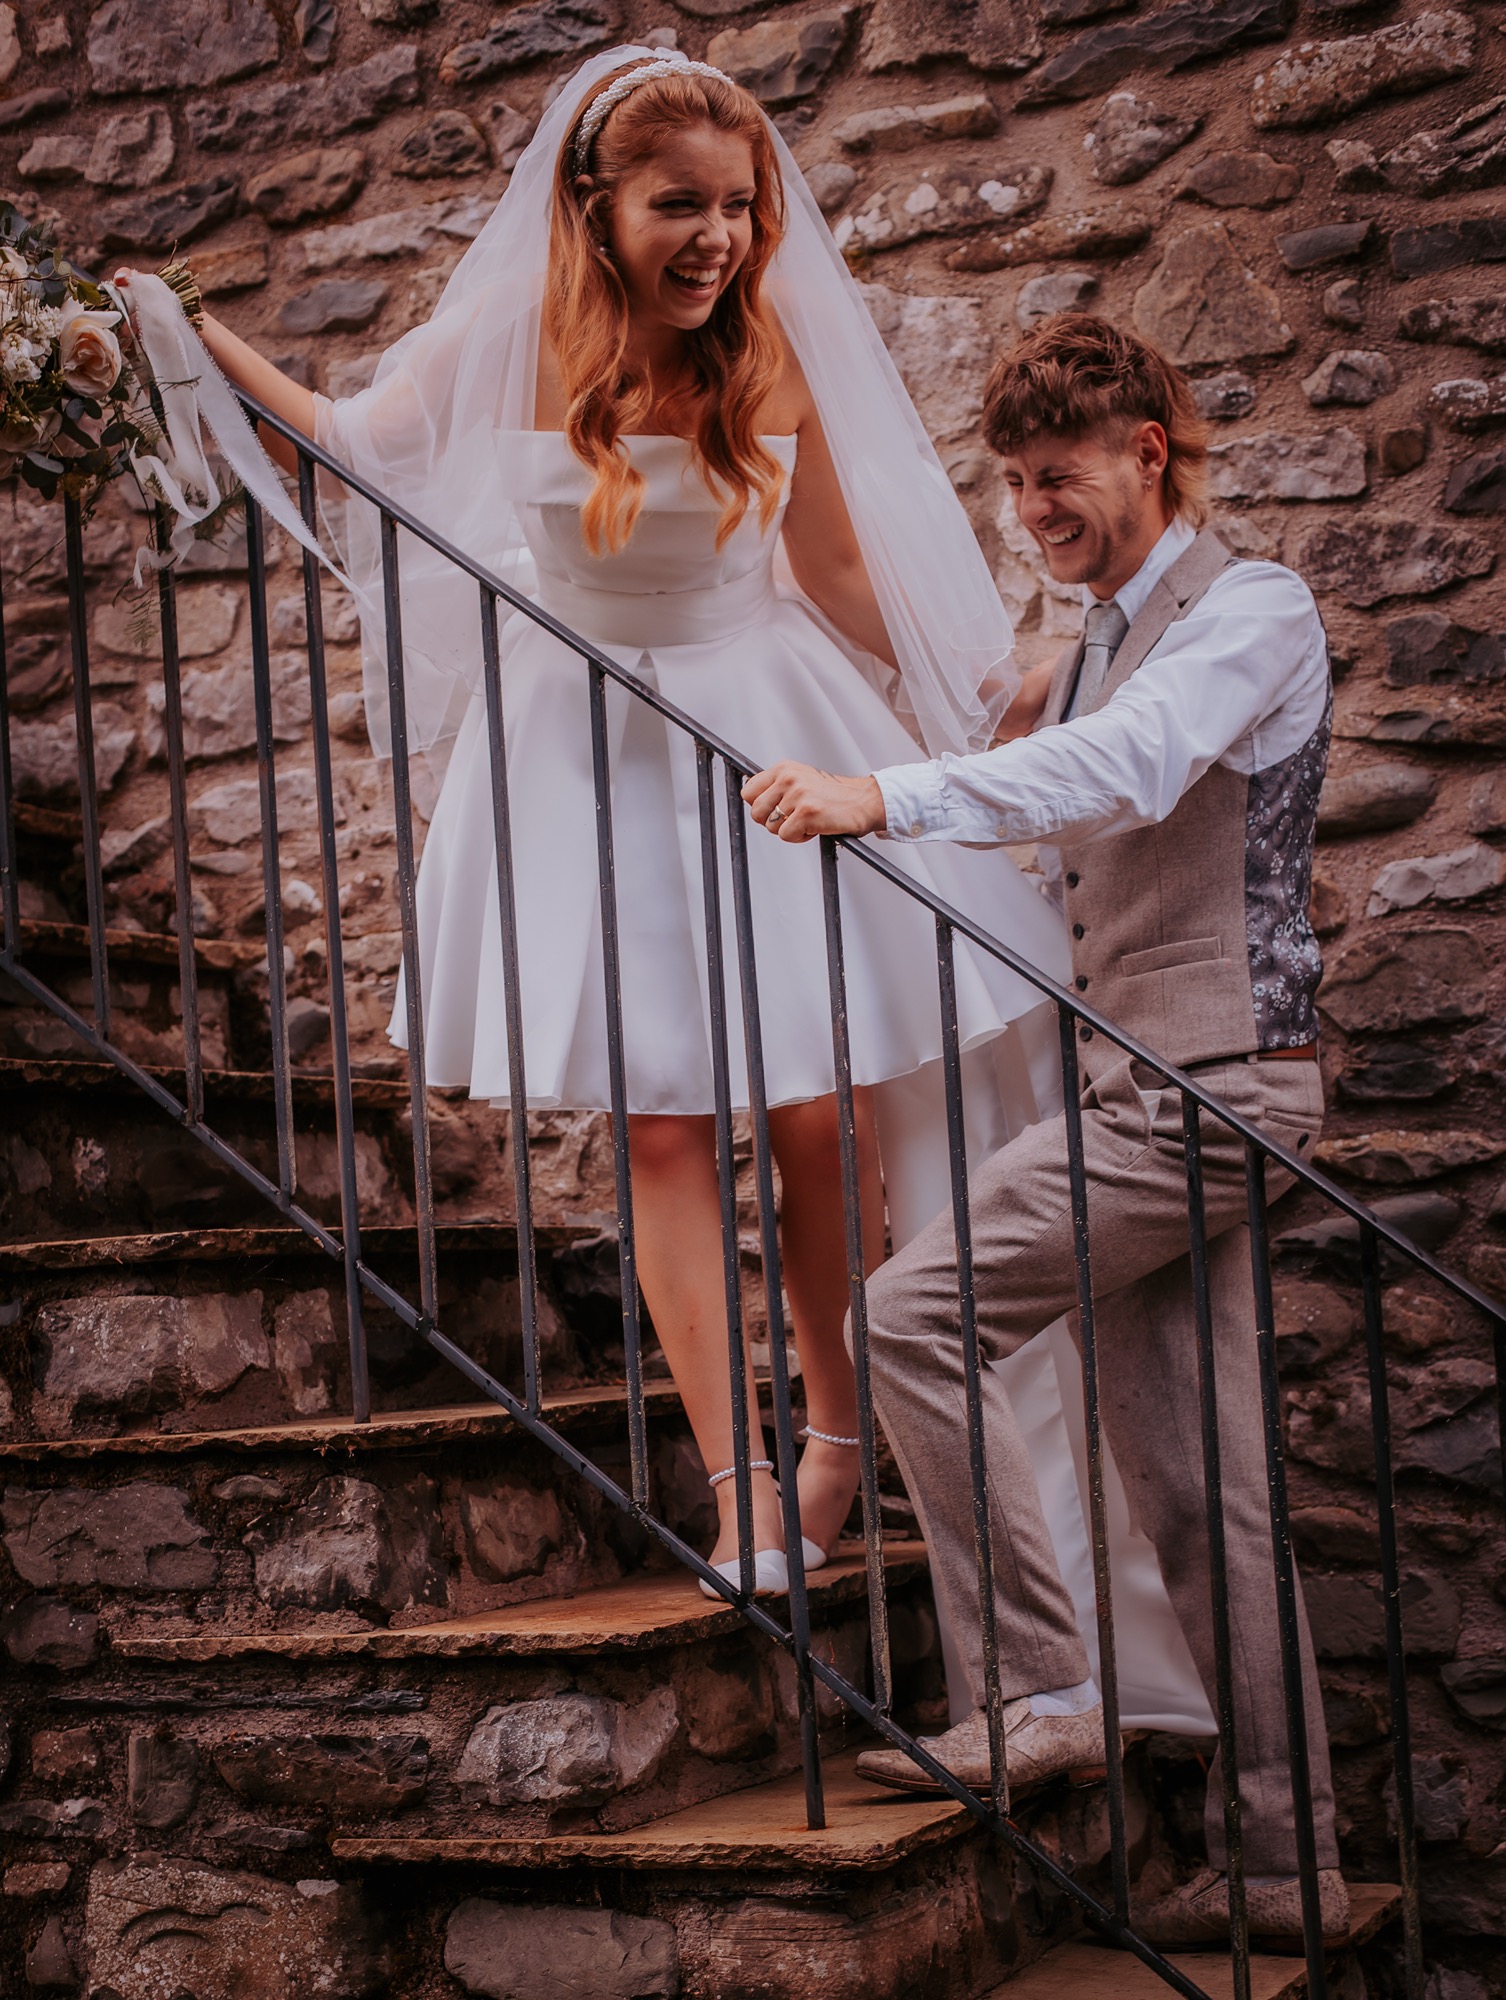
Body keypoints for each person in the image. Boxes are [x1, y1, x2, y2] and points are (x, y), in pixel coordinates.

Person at [111, 48, 1072, 1597]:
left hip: (763, 726)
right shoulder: (505, 341)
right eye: (676, 204)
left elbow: (833, 579)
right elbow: (351, 447)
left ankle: (838, 1432)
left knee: (820, 1111)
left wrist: (974, 708)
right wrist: (193, 337)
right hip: (584, 760)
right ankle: (739, 1484)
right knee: (665, 1127)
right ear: (595, 204)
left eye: (737, 207)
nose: (714, 237)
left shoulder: (765, 360)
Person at [743, 314, 1346, 1954]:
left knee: (907, 1315)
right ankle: (1284, 1869)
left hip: (1216, 1084)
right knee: (1198, 1488)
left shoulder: (1252, 609)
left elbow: (1145, 766)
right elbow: (1073, 818)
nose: (1035, 510)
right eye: (1013, 483)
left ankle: (1037, 1684)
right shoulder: (1079, 652)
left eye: (1058, 473)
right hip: (1145, 1081)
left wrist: (898, 788)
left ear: (1147, 447)